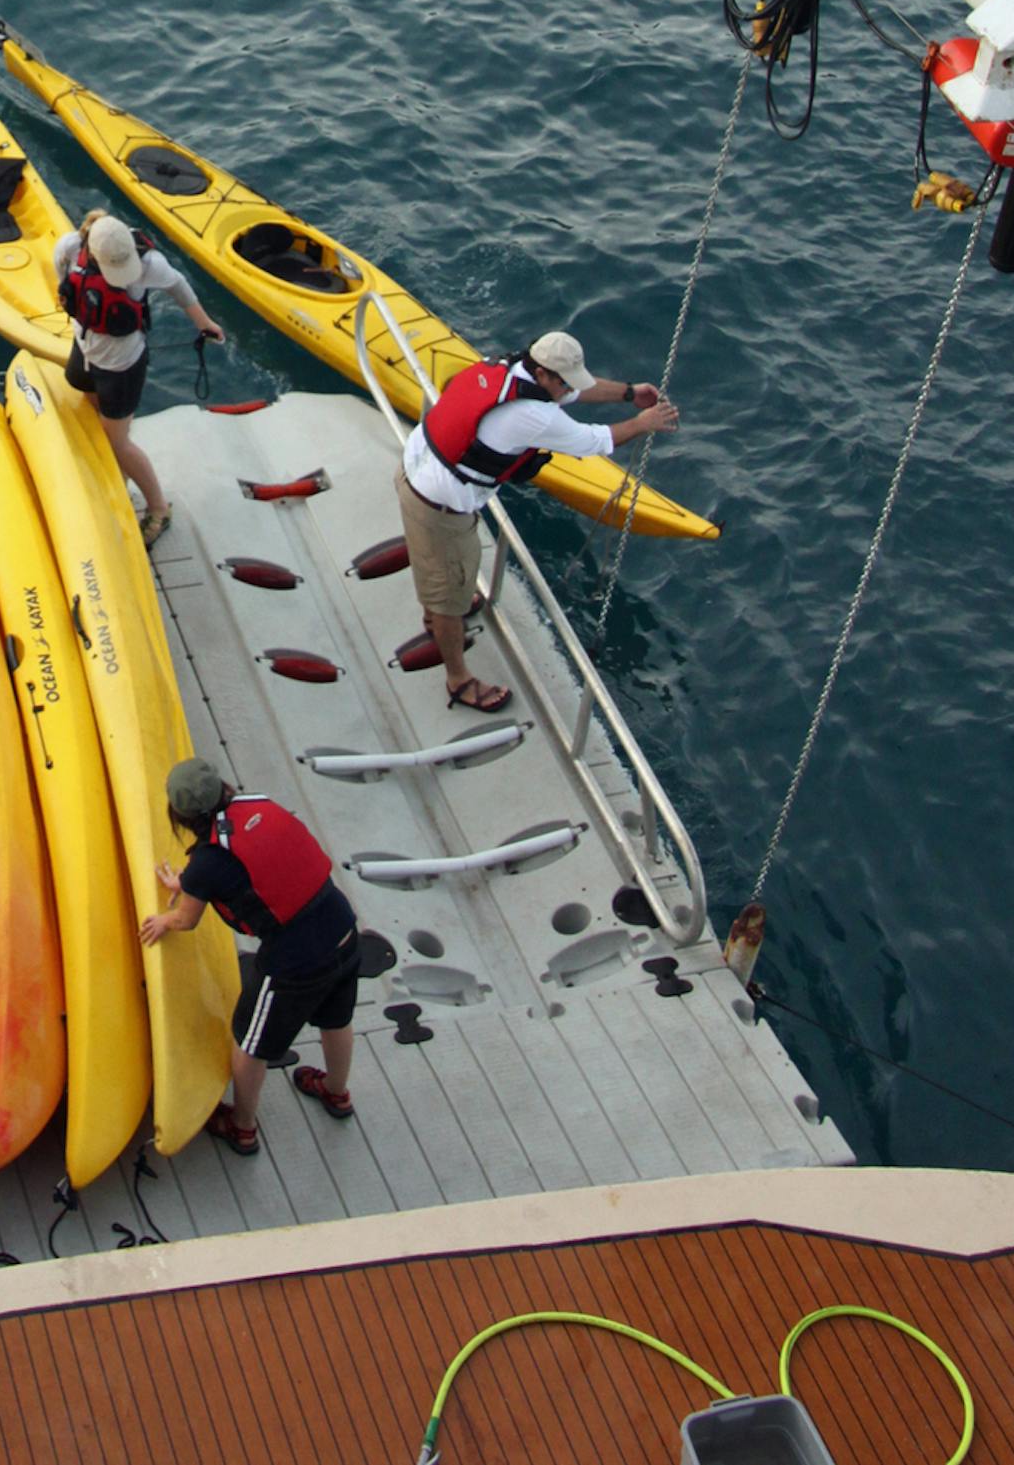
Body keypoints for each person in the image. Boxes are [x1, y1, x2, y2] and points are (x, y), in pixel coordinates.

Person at [398, 326, 678, 714]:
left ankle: (444, 603)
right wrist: (643, 423)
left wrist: (630, 393)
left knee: (454, 574)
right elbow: (595, 442)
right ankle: (457, 676)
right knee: (448, 597)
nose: (568, 391)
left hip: (418, 466)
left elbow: (579, 390)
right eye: (563, 383)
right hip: (437, 506)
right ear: (544, 374)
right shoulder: (533, 414)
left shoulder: (511, 367)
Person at [141, 758, 360, 1155]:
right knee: (336, 1019)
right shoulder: (258, 805)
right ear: (224, 789)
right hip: (342, 926)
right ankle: (336, 1092)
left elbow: (187, 920)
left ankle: (242, 1127)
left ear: (180, 815)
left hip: (296, 960)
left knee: (249, 1042)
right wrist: (190, 881)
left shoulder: (208, 862)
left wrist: (164, 920)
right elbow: (254, 861)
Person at [52, 210, 225, 547]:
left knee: (119, 441)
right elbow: (63, 284)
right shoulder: (70, 248)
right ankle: (113, 472)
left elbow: (178, 285)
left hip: (123, 366)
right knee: (93, 410)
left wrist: (204, 323)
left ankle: (159, 509)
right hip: (85, 348)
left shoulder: (149, 264)